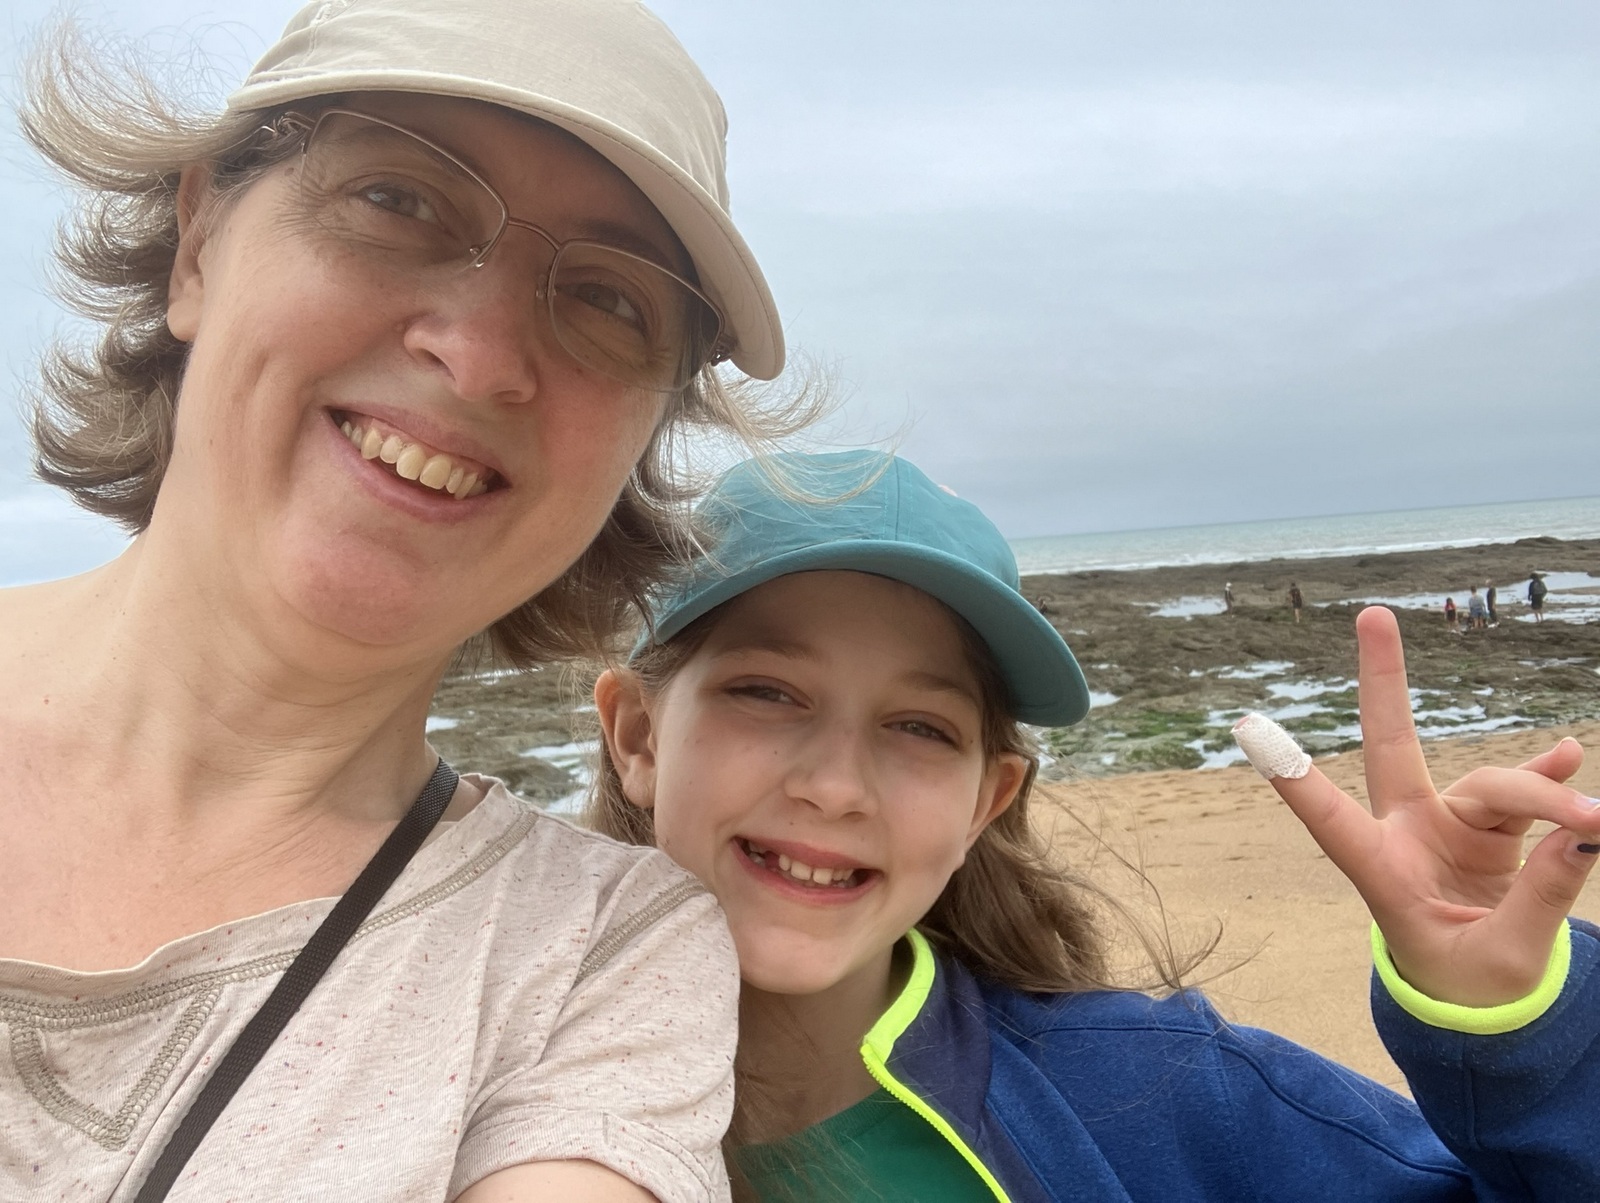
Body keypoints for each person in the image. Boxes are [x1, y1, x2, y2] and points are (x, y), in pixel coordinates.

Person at [0, 1, 813, 1198]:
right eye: (396, 199)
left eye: (608, 299)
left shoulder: (592, 957)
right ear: (199, 245)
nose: (480, 358)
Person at [589, 450, 1600, 1202]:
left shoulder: (1158, 1096)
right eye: (767, 692)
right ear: (635, 733)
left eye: (919, 726)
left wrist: (1511, 1034)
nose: (835, 786)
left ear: (986, 802)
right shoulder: (510, 1099)